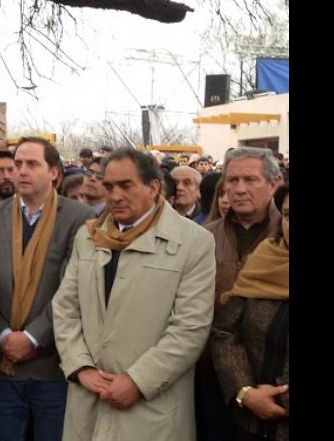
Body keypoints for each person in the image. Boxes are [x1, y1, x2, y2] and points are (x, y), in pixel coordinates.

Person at [52, 148, 216, 441]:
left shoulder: (194, 242)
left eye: (126, 185)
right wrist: (81, 367)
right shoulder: (88, 237)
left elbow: (190, 328)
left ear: (153, 188)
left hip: (151, 407)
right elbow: (65, 309)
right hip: (89, 400)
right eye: (109, 186)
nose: (115, 195)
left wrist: (138, 382)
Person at [0, 137, 95, 441]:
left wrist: (32, 337)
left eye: (32, 164)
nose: (22, 172)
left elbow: (73, 288)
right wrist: (3, 335)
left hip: (52, 366)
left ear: (54, 172)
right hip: (1, 365)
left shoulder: (80, 218)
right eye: (18, 165)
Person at [211, 184, 289, 441]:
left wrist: (281, 399)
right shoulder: (264, 261)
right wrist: (245, 391)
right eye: (287, 214)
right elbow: (225, 331)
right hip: (252, 425)